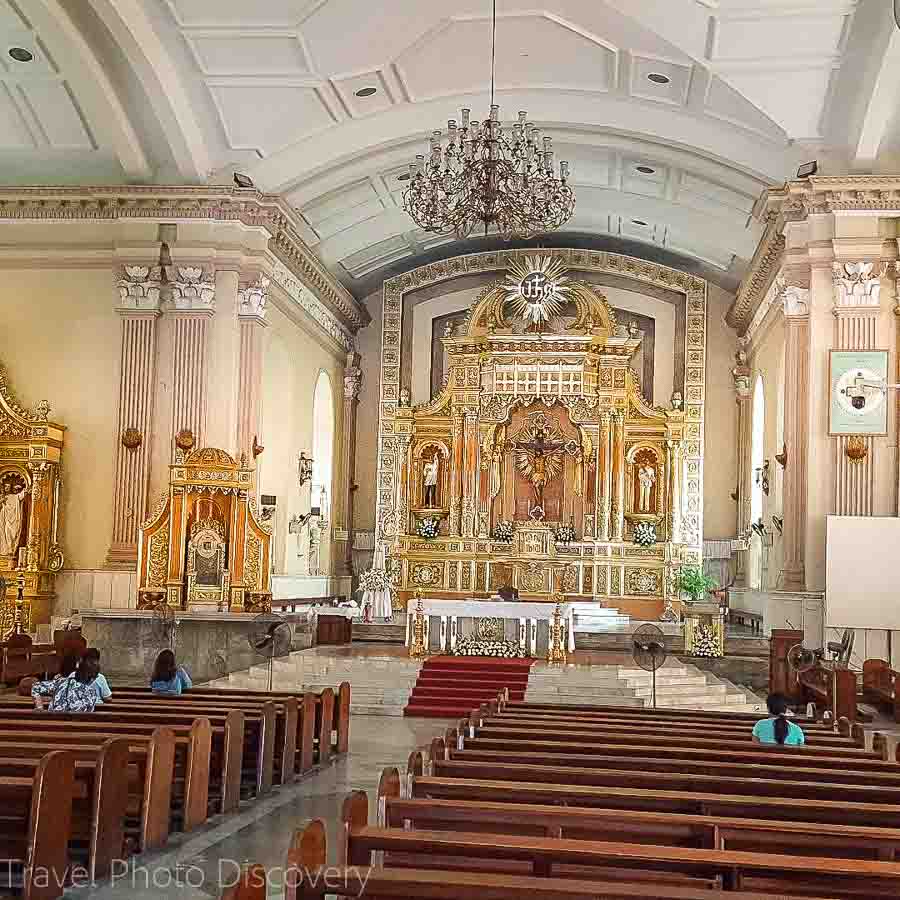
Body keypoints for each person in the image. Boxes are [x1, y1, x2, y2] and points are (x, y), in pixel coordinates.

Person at [32, 655, 100, 712]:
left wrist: (39, 707)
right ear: (92, 678)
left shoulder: (60, 682)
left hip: (52, 722)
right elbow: (86, 714)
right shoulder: (90, 692)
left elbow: (36, 687)